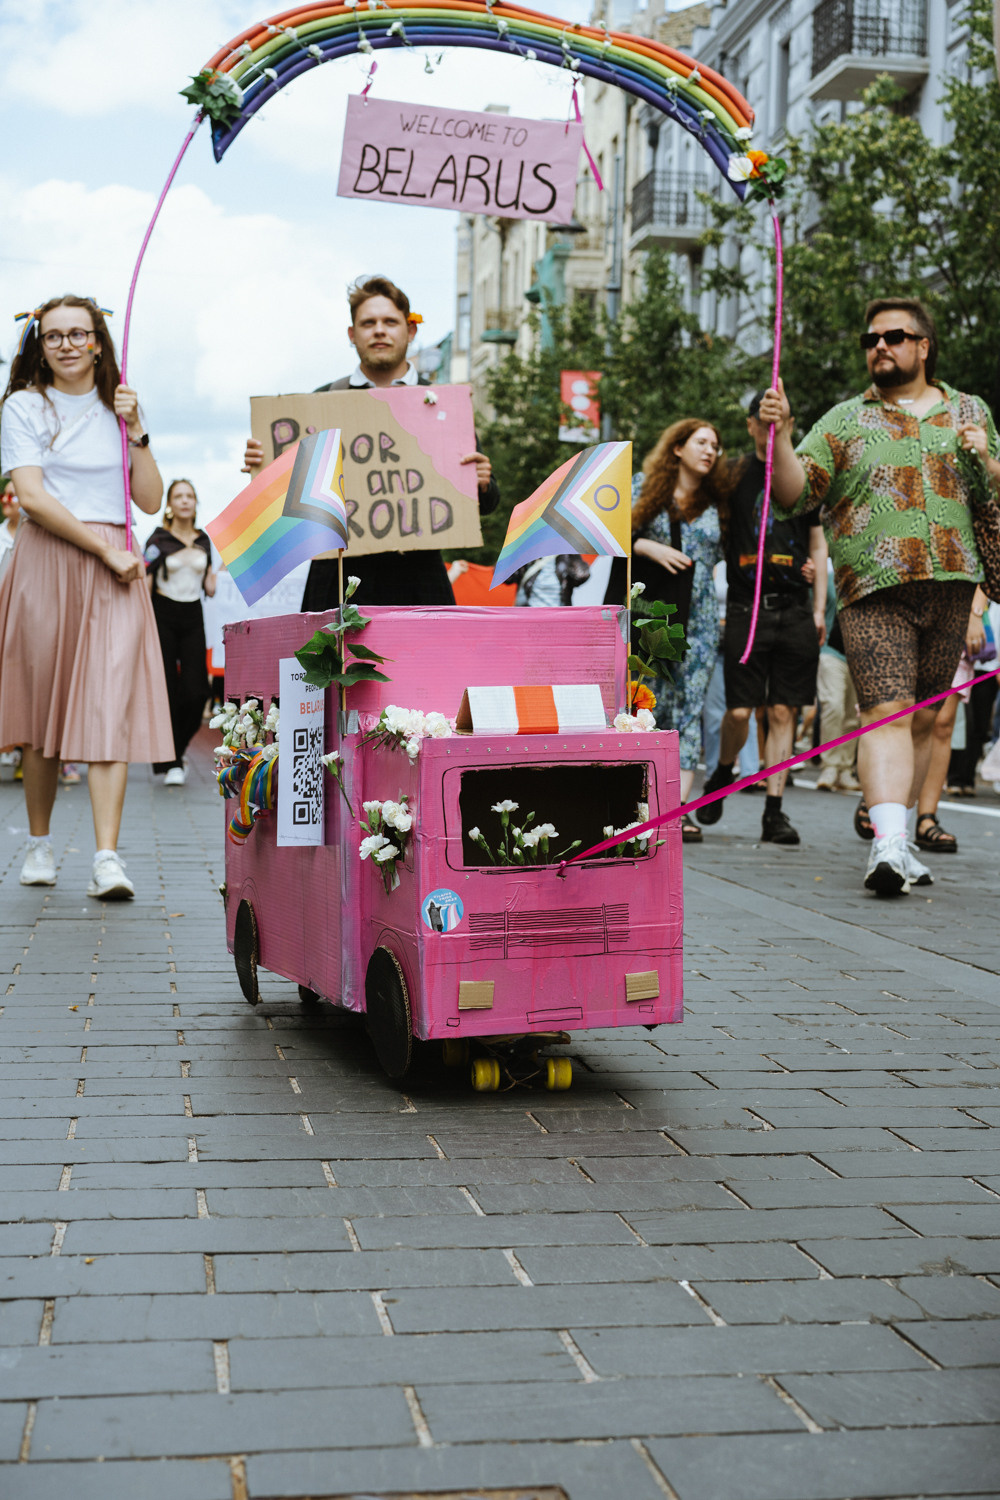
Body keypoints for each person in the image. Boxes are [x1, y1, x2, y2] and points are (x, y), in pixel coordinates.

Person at [761, 296, 1000, 895]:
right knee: (885, 712)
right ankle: (889, 846)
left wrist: (987, 461)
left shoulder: (970, 410)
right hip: (873, 587)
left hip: (951, 582)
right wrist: (782, 436)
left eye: (894, 336)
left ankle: (899, 835)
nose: (880, 347)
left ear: (923, 346)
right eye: (871, 340)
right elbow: (795, 494)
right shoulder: (844, 420)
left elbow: (993, 495)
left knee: (922, 715)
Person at [0, 294, 173, 899]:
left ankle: (106, 858)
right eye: (54, 336)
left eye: (80, 334)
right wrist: (104, 551)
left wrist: (139, 430)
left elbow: (149, 501)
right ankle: (41, 845)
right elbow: (34, 498)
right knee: (41, 710)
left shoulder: (118, 407)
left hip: (115, 562)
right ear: (39, 346)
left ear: (99, 342)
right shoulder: (24, 406)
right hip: (51, 556)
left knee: (109, 703)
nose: (68, 344)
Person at [242, 276, 499, 608]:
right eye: (368, 323)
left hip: (420, 584)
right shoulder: (320, 405)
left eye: (390, 322)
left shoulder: (444, 405)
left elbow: (485, 502)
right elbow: (281, 508)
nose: (380, 330)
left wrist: (482, 484)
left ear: (411, 331)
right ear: (352, 335)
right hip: (335, 586)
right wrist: (264, 469)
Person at [697, 393, 826, 844]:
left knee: (783, 709)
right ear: (751, 424)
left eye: (783, 421)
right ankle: (725, 770)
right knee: (738, 710)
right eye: (765, 421)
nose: (772, 429)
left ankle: (774, 809)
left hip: (793, 605)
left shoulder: (803, 472)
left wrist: (817, 605)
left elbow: (817, 540)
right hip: (744, 606)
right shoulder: (730, 473)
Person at [620, 419, 730, 842]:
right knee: (649, 704)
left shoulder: (717, 503)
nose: (710, 451)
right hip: (654, 613)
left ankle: (675, 811)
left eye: (715, 445)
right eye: (701, 442)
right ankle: (638, 801)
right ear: (678, 447)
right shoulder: (643, 486)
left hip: (701, 619)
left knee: (690, 708)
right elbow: (615, 536)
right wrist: (650, 545)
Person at [144, 478, 216, 787]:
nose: (185, 501)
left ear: (196, 502)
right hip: (162, 614)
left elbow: (210, 587)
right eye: (179, 496)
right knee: (167, 691)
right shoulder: (158, 539)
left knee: (197, 690)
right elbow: (145, 585)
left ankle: (174, 751)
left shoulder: (204, 540)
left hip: (193, 615)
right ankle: (172, 761)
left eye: (190, 495)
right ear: (170, 505)